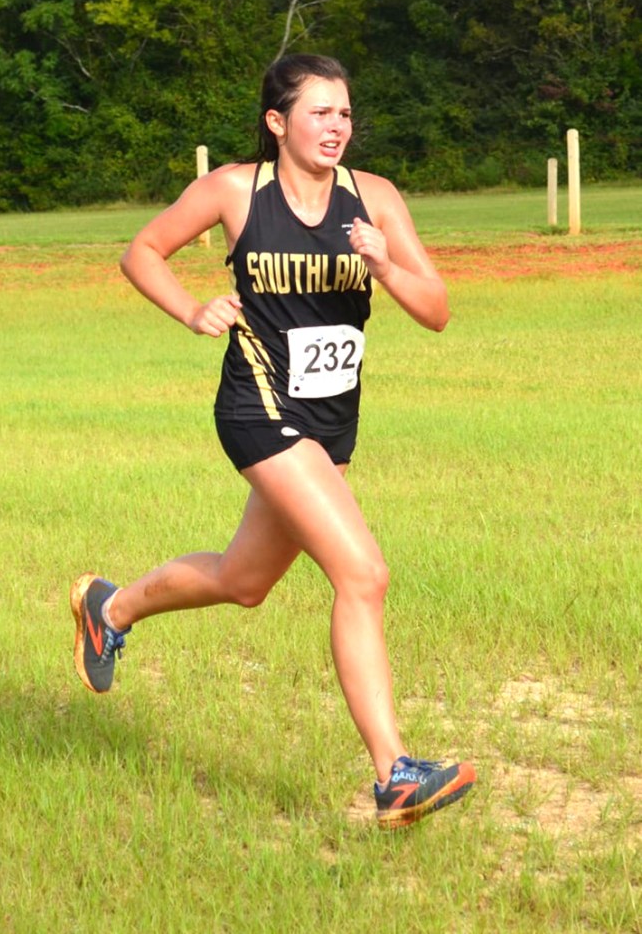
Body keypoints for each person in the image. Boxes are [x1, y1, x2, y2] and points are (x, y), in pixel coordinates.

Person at [70, 53, 476, 829]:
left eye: (344, 113)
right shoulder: (235, 189)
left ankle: (109, 608)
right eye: (319, 112)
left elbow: (437, 309)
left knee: (245, 578)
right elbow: (141, 251)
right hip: (257, 409)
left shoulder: (376, 198)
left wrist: (386, 265)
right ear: (276, 121)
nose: (336, 126)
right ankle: (394, 774)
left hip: (330, 422)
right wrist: (192, 309)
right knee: (363, 573)